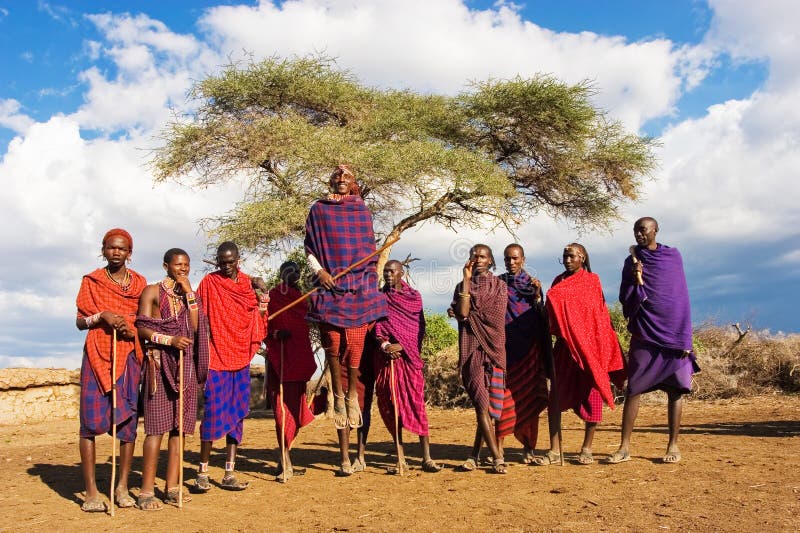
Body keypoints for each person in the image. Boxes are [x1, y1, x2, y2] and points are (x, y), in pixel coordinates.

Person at [303, 164, 387, 476]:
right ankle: (338, 396)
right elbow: (310, 248)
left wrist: (365, 276)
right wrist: (320, 272)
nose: (341, 181)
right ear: (330, 182)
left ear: (352, 184)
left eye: (346, 178)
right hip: (329, 287)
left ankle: (351, 393)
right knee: (333, 346)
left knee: (355, 346)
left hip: (359, 289)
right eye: (337, 177)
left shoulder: (361, 211)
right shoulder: (319, 211)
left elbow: (368, 250)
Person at [607, 217, 699, 464]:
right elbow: (625, 298)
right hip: (645, 332)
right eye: (636, 230)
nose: (639, 234)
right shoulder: (631, 261)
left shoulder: (672, 257)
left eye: (643, 229)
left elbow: (680, 298)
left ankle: (673, 446)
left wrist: (685, 338)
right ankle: (624, 447)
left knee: (676, 390)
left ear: (656, 230)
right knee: (634, 388)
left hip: (674, 335)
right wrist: (636, 280)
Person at [75, 228, 147, 512]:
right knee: (89, 423)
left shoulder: (140, 283)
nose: (116, 252)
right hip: (96, 354)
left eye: (122, 249)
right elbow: (80, 322)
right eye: (111, 248)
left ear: (130, 253)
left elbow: (145, 319)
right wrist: (102, 316)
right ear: (103, 250)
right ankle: (91, 492)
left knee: (128, 421)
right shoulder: (91, 281)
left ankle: (122, 486)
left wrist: (131, 330)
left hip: (128, 354)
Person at [535, 243, 625, 466]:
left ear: (582, 258)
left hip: (590, 349)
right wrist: (541, 297)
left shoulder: (592, 280)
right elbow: (551, 312)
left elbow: (599, 315)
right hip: (566, 349)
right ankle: (554, 450)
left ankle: (587, 448)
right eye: (564, 256)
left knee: (592, 398)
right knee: (555, 399)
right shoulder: (558, 281)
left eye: (571, 256)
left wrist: (601, 346)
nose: (567, 260)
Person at [135, 248, 209, 510]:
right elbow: (142, 327)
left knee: (179, 429)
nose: (183, 269)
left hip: (184, 366)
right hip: (159, 364)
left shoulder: (190, 295)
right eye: (178, 265)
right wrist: (169, 340)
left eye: (187, 265)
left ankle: (172, 485)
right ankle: (145, 491)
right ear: (166, 265)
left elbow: (196, 326)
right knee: (155, 429)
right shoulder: (152, 291)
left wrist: (189, 291)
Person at [195, 241, 268, 491]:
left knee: (237, 415)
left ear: (238, 259)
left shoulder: (248, 284)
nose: (226, 266)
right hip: (216, 358)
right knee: (213, 413)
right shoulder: (209, 283)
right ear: (217, 261)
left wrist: (262, 295)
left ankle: (229, 472)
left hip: (240, 359)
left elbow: (257, 315)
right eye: (222, 262)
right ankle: (202, 472)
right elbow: (198, 317)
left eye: (230, 262)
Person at [373, 260, 442, 474]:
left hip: (409, 360)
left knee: (417, 405)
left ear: (402, 273)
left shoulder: (414, 298)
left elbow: (419, 329)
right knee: (392, 407)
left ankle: (426, 458)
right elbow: (377, 328)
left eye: (392, 271)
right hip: (389, 362)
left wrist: (403, 346)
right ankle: (400, 458)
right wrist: (385, 345)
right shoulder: (380, 298)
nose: (388, 275)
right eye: (385, 271)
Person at [452, 244, 508, 474]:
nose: (478, 259)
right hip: (471, 351)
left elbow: (495, 318)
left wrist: (466, 314)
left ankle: (474, 456)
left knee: (485, 407)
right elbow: (464, 312)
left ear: (491, 260)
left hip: (494, 350)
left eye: (483, 256)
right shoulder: (461, 286)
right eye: (474, 256)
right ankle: (497, 459)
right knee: (480, 404)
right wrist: (465, 280)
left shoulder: (500, 286)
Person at [496, 244, 550, 464]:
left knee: (528, 399)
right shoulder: (498, 283)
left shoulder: (532, 285)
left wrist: (537, 296)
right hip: (505, 350)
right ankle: (498, 447)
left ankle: (529, 447)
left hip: (529, 350)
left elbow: (541, 315)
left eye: (515, 259)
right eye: (507, 259)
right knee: (502, 399)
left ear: (523, 260)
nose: (511, 263)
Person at [265, 261, 317, 482]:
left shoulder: (301, 299)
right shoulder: (273, 297)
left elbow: (308, 324)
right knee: (281, 411)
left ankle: (284, 459)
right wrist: (276, 335)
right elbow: (263, 326)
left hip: (299, 361)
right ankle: (286, 461)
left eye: (296, 271)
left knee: (295, 412)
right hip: (281, 361)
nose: (293, 275)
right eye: (288, 271)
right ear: (280, 273)